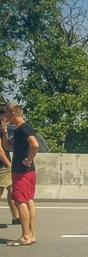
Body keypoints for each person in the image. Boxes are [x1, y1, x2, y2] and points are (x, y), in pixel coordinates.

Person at [1, 103, 38, 246]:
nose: (5, 117)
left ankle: (25, 236)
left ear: (12, 114)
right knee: (28, 200)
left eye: (7, 114)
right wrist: (5, 132)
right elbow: (7, 146)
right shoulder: (18, 129)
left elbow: (35, 145)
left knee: (20, 201)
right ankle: (31, 235)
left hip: (22, 171)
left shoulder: (23, 128)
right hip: (26, 171)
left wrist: (28, 160)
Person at [0, 110, 20, 225]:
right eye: (4, 116)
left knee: (11, 190)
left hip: (5, 164)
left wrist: (5, 132)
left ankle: (16, 217)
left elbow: (7, 146)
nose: (6, 119)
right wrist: (8, 163)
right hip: (2, 164)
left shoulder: (4, 129)